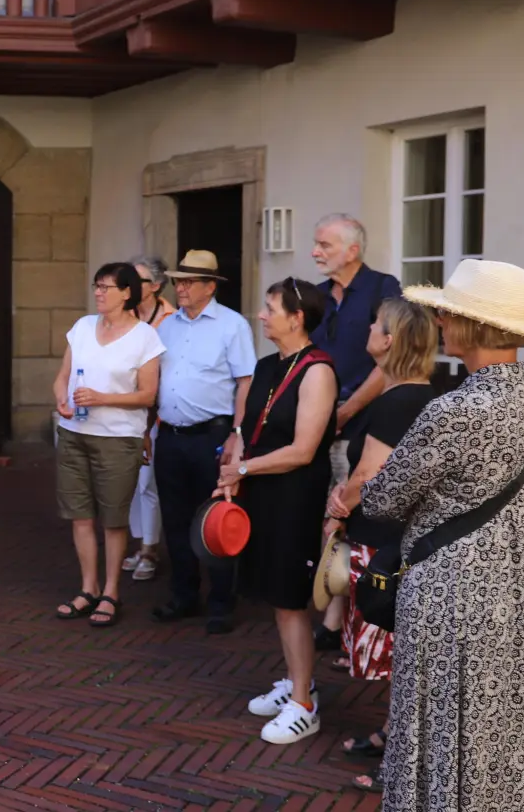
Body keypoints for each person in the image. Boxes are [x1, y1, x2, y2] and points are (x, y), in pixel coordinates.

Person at [360, 258, 524, 811]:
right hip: (516, 593)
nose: (441, 324)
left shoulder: (453, 409)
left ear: (474, 326)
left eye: (449, 315)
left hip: (449, 590)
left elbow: (381, 500)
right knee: (501, 734)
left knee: (439, 731)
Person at [322, 298, 439, 791]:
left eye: (376, 324)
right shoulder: (417, 394)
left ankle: (403, 759)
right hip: (397, 537)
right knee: (402, 657)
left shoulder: (397, 402)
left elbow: (370, 475)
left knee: (399, 658)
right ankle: (392, 735)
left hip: (385, 541)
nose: (368, 328)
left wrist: (337, 508)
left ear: (388, 341)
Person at [213, 278, 337, 744]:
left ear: (297, 316)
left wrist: (242, 467)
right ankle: (295, 681)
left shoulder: (318, 370)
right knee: (274, 595)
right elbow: (245, 430)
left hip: (294, 496)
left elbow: (304, 450)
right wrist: (232, 470)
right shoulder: (267, 366)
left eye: (270, 308)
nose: (261, 316)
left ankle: (305, 702)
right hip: (261, 490)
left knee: (289, 599)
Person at [51, 262, 165, 627]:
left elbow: (148, 395)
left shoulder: (144, 337)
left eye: (106, 287)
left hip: (118, 439)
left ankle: (111, 592)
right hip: (73, 434)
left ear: (127, 293)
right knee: (80, 515)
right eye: (96, 286)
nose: (98, 292)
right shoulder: (83, 327)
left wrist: (101, 398)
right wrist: (61, 400)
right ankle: (88, 587)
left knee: (113, 520)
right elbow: (63, 377)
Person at [150, 250, 258, 635]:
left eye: (189, 282)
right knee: (176, 520)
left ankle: (221, 603)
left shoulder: (232, 326)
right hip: (171, 435)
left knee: (214, 520)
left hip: (212, 436)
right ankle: (183, 595)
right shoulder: (167, 327)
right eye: (178, 281)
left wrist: (237, 434)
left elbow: (246, 382)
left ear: (210, 287)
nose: (180, 287)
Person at [310, 214, 403, 653]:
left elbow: (389, 364)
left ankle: (341, 621)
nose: (316, 252)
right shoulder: (318, 297)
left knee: (349, 517)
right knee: (327, 518)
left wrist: (344, 411)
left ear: (352, 250)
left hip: (361, 427)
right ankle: (330, 611)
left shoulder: (383, 288)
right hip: (317, 428)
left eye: (324, 245)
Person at [123, 255, 174, 581]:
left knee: (148, 482)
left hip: (154, 414)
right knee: (129, 482)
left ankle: (149, 548)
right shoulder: (122, 315)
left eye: (136, 280)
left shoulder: (170, 320)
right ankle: (139, 542)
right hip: (123, 410)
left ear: (155, 286)